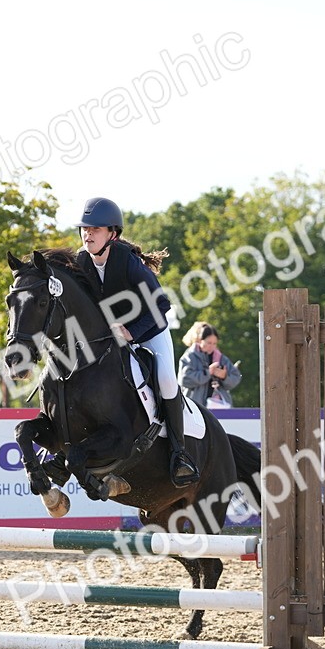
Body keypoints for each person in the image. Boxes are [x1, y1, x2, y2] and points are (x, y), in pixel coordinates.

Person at [73, 197, 199, 487]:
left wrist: (131, 332)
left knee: (167, 379)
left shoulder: (127, 261)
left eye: (95, 230)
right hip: (109, 338)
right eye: (84, 229)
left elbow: (161, 305)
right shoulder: (81, 262)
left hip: (150, 329)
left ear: (112, 234)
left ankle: (180, 454)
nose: (88, 234)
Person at [179, 322, 242, 409]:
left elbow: (236, 378)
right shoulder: (189, 356)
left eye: (214, 343)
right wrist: (208, 372)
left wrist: (224, 376)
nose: (212, 346)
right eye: (209, 343)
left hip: (220, 407)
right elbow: (184, 380)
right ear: (200, 340)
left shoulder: (221, 358)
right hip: (194, 409)